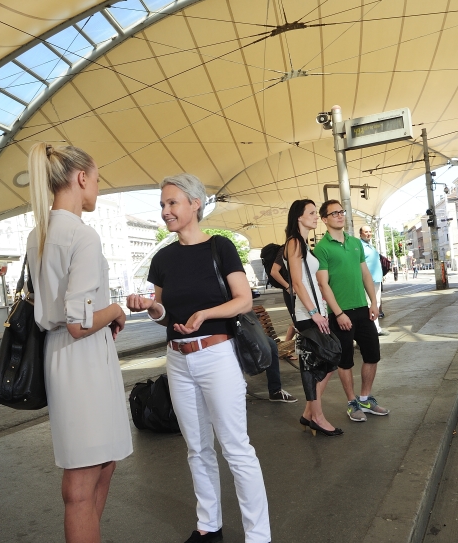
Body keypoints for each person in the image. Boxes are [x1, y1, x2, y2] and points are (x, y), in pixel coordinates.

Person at [126, 173, 270, 543]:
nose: (165, 211)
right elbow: (165, 316)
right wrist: (149, 308)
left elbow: (243, 300)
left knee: (236, 448)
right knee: (197, 448)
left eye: (172, 203)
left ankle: (259, 536)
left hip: (217, 355)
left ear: (195, 204)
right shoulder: (162, 258)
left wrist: (206, 314)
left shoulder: (219, 248)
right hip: (178, 359)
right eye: (162, 204)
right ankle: (209, 526)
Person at [25, 142, 133, 543]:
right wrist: (117, 309)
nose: (98, 189)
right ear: (81, 178)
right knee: (84, 477)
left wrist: (100, 315)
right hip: (82, 360)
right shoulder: (82, 236)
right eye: (98, 179)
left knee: (101, 463)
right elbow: (79, 321)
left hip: (62, 358)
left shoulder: (39, 232)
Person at [314, 200, 389, 423]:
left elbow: (365, 274)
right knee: (345, 360)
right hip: (341, 313)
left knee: (372, 355)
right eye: (334, 213)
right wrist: (338, 313)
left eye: (341, 211)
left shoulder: (356, 243)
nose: (339, 215)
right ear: (325, 219)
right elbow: (323, 284)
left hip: (363, 310)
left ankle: (365, 398)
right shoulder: (322, 248)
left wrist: (374, 303)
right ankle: (351, 402)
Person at [282, 199, 341, 437]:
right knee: (319, 364)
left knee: (328, 361)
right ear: (299, 216)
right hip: (308, 315)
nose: (317, 217)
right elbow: (297, 282)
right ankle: (316, 416)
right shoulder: (295, 242)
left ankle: (309, 413)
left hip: (314, 312)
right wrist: (314, 313)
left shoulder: (302, 243)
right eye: (312, 213)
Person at [359, 226, 389, 336]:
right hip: (367, 281)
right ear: (361, 234)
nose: (369, 233)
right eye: (366, 232)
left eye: (370, 231)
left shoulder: (370, 246)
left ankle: (376, 328)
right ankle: (370, 330)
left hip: (376, 280)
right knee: (369, 305)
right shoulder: (360, 246)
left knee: (376, 304)